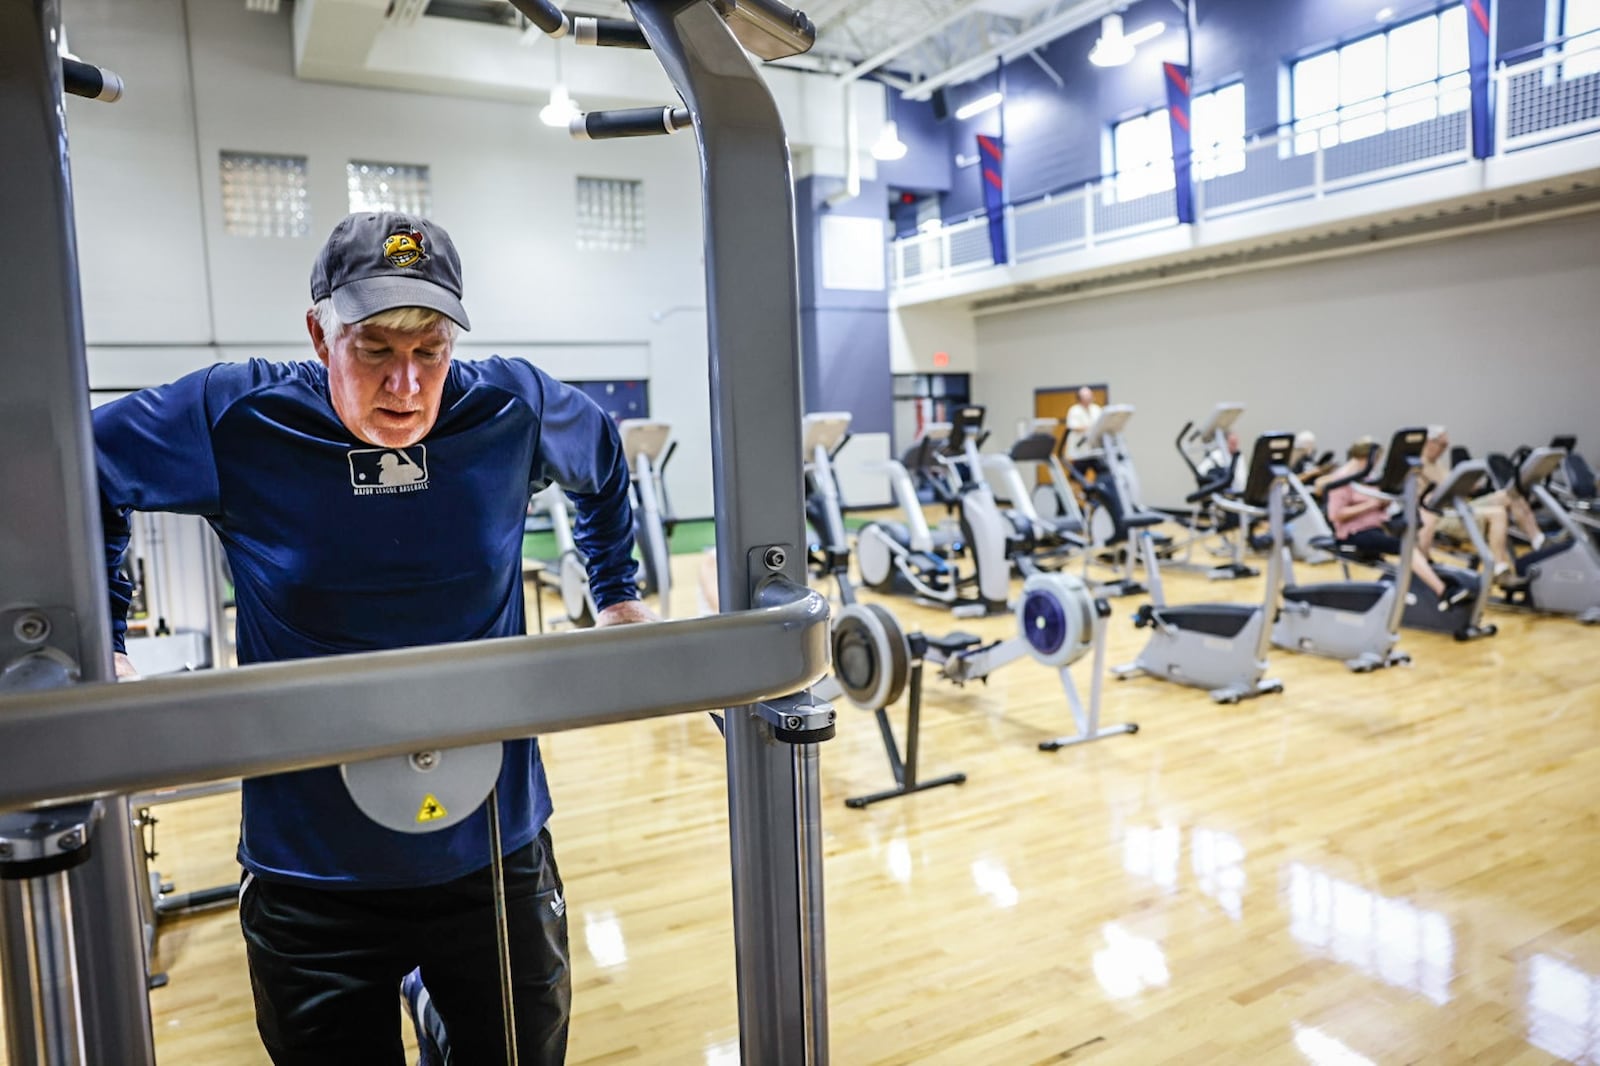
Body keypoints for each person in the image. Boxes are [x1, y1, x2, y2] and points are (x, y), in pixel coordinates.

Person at [94, 212, 654, 1065]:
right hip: (312, 871)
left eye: (429, 350)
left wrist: (616, 596)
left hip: (492, 858)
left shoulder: (511, 406)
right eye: (374, 351)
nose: (406, 384)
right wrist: (107, 633)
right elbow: (84, 464)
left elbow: (605, 459)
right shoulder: (238, 416)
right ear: (319, 334)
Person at [1324, 438, 1470, 609]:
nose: (1376, 463)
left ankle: (1426, 571)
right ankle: (1443, 591)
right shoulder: (1342, 479)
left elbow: (1378, 501)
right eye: (1376, 459)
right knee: (1406, 547)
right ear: (1366, 457)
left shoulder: (1367, 477)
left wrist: (1383, 503)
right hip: (1354, 533)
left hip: (1378, 527)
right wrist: (1370, 505)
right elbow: (1335, 515)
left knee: (1421, 522)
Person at [1416, 426, 1544, 586]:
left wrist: (1468, 484)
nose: (1443, 450)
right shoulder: (1418, 465)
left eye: (1446, 446)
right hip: (1439, 516)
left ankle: (1539, 540)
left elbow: (1450, 486)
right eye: (1441, 445)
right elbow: (1429, 498)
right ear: (1429, 442)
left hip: (1456, 506)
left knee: (1507, 495)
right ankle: (1500, 570)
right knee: (1497, 513)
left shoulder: (1437, 463)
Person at [1063, 386, 1103, 464]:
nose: (1089, 398)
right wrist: (1091, 427)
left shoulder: (1096, 409)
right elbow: (1073, 426)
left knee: (1103, 471)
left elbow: (1102, 424)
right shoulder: (1074, 410)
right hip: (1079, 449)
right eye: (1086, 396)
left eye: (1090, 395)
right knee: (1078, 472)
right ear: (1080, 398)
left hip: (1093, 449)